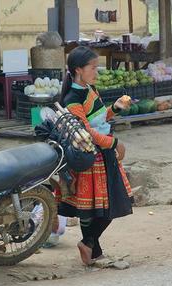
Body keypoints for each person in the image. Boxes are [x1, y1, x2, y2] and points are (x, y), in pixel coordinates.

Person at [55, 46, 134, 266]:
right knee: (105, 206)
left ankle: (92, 248)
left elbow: (99, 118)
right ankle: (90, 245)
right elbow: (88, 131)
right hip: (93, 156)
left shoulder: (90, 89)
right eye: (93, 67)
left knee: (95, 207)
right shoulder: (72, 99)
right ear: (79, 70)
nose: (96, 72)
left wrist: (115, 109)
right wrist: (114, 143)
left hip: (102, 152)